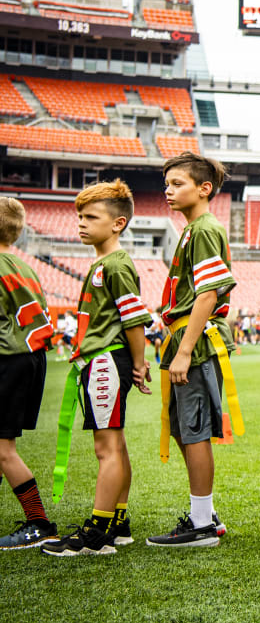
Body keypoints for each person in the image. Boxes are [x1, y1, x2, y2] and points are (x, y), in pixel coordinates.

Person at [43, 181, 152, 556]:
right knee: (115, 445)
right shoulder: (104, 262)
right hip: (105, 360)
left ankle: (96, 532)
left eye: (91, 217)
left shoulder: (116, 264)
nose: (82, 223)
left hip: (107, 359)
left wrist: (138, 365)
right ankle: (117, 522)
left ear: (118, 223)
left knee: (106, 448)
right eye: (80, 216)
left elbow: (134, 318)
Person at [147, 152, 238, 549]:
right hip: (185, 337)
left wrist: (184, 351)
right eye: (166, 184)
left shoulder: (203, 228)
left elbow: (207, 294)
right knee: (187, 430)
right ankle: (206, 515)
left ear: (204, 189)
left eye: (177, 183)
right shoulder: (191, 229)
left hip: (196, 342)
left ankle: (201, 524)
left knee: (195, 430)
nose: (168, 191)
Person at [0, 197, 58, 550]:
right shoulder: (26, 266)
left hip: (9, 357)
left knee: (4, 448)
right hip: (31, 357)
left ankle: (39, 522)